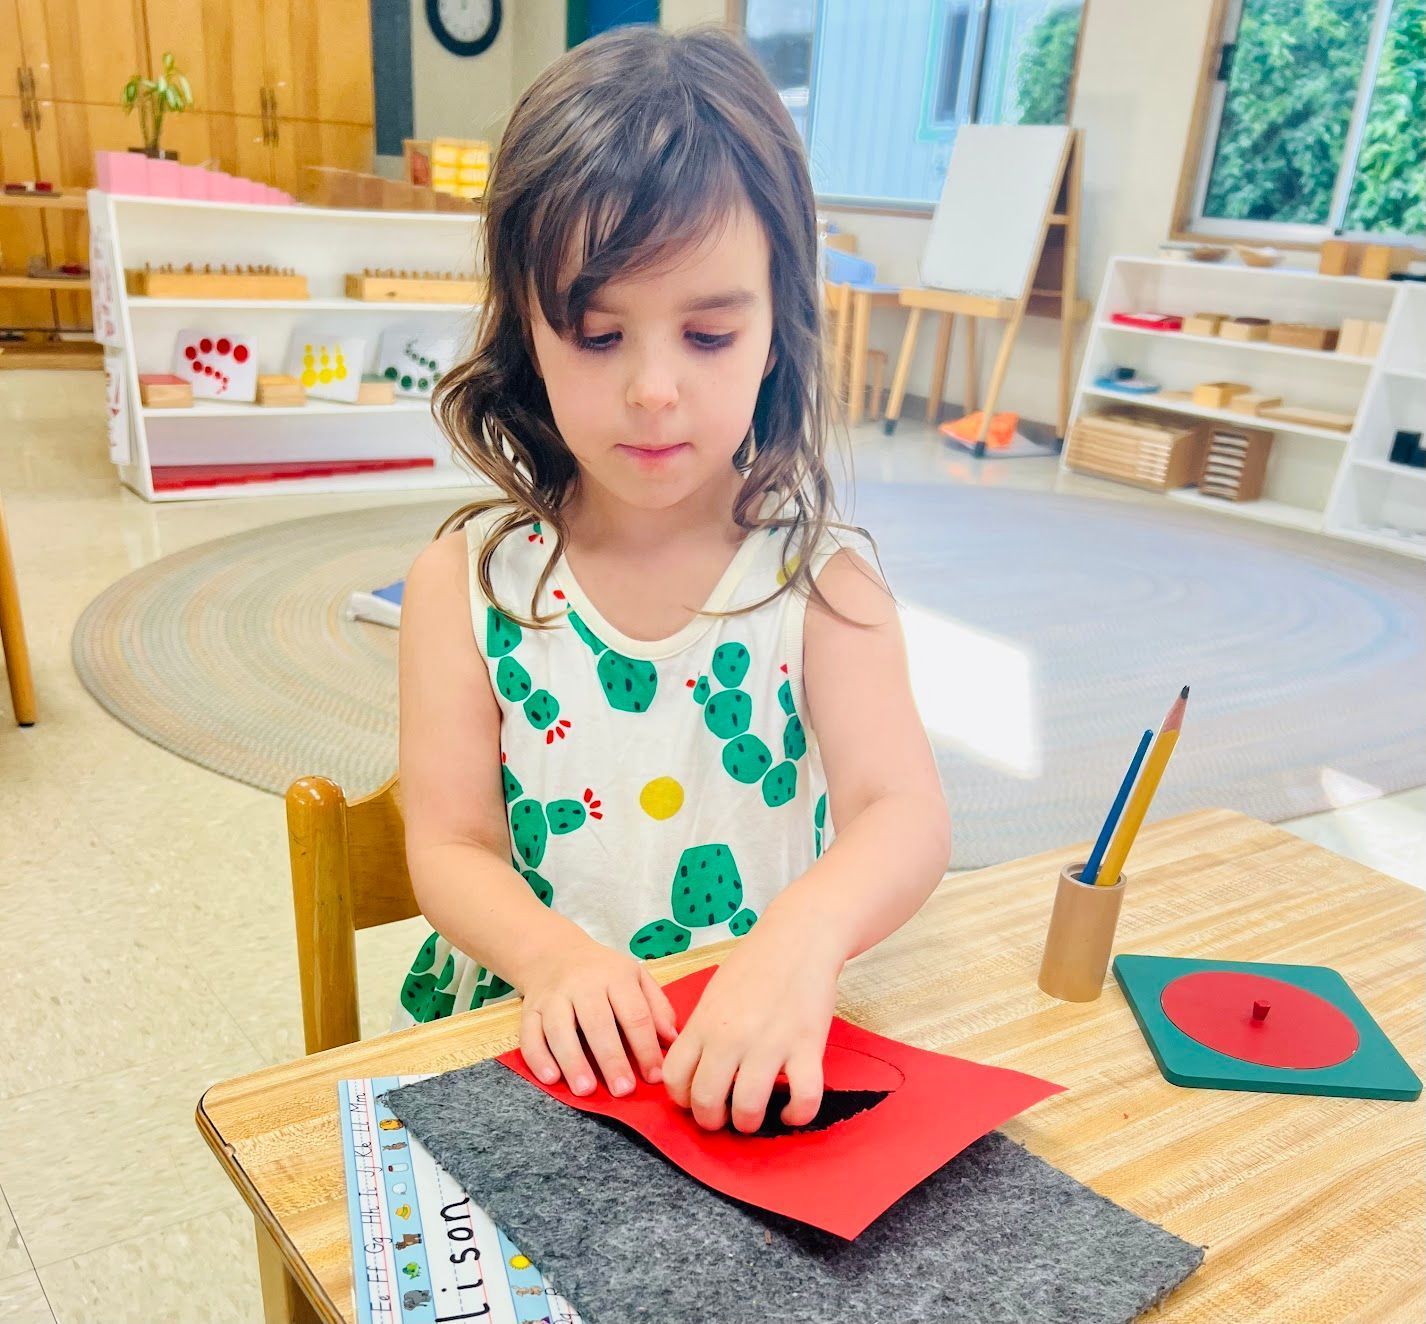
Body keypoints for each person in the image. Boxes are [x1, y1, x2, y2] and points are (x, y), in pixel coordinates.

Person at [394, 24, 950, 1134]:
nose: (654, 391)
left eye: (705, 334)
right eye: (598, 337)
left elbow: (904, 814)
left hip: (745, 1053)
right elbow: (448, 845)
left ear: (776, 333)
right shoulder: (464, 584)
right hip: (537, 1048)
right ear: (527, 337)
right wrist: (552, 959)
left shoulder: (824, 587)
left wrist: (801, 937)